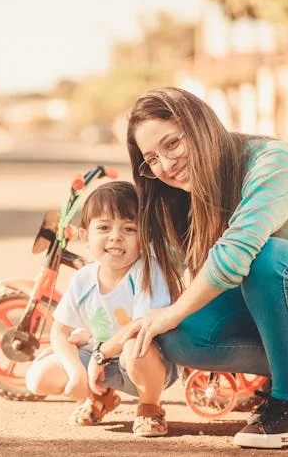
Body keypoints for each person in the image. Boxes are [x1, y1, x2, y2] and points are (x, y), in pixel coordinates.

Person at [119, 87, 288, 449]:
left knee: (264, 256)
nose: (165, 166)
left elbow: (235, 255)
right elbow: (176, 270)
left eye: (172, 144)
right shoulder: (193, 191)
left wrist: (170, 312)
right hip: (280, 304)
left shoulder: (274, 162)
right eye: (151, 158)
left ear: (199, 126)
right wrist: (106, 337)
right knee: (177, 333)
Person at [25, 181, 177, 437]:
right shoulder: (83, 279)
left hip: (149, 360)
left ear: (145, 236)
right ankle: (101, 397)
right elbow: (60, 333)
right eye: (104, 227)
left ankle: (150, 407)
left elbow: (141, 326)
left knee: (134, 348)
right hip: (101, 361)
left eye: (129, 228)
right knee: (39, 378)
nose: (116, 236)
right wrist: (76, 373)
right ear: (86, 236)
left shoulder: (147, 271)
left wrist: (100, 355)